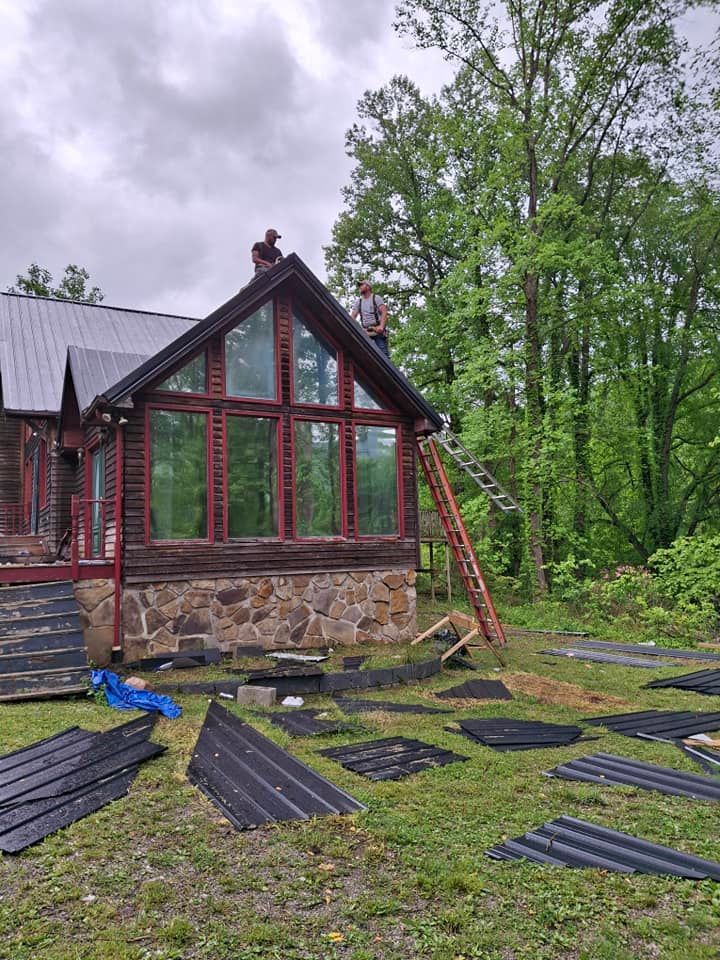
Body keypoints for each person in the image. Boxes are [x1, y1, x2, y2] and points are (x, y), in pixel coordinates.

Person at [350, 280, 389, 357]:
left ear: (368, 287)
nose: (360, 287)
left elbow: (384, 312)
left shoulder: (376, 298)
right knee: (363, 355)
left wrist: (381, 326)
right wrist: (359, 329)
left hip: (377, 331)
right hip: (365, 332)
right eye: (359, 286)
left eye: (362, 285)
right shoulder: (359, 302)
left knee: (384, 356)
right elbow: (352, 317)